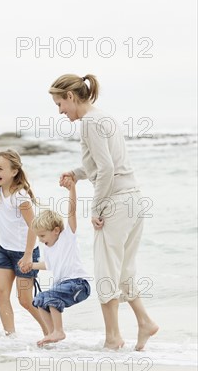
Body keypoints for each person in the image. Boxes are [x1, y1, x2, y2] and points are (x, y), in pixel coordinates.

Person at [50, 73, 158, 350]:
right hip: (133, 200)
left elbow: (107, 168)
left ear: (71, 97)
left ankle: (113, 337)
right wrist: (76, 172)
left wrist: (97, 208)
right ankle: (144, 322)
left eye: (60, 104)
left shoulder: (88, 124)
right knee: (123, 269)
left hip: (117, 204)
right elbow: (104, 164)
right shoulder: (103, 117)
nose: (60, 111)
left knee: (106, 271)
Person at [0, 128, 48, 336]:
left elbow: (35, 226)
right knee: (0, 293)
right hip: (5, 251)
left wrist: (28, 255)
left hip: (25, 253)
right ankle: (10, 336)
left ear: (14, 171)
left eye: (1, 169)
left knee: (25, 300)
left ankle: (50, 330)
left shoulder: (20, 196)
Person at [19, 176, 90, 346]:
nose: (41, 240)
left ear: (56, 230)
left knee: (50, 296)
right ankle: (52, 333)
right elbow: (49, 265)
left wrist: (72, 189)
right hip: (64, 286)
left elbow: (71, 212)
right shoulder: (48, 248)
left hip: (79, 284)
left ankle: (59, 331)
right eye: (39, 237)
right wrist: (31, 266)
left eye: (43, 236)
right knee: (39, 300)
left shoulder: (67, 237)